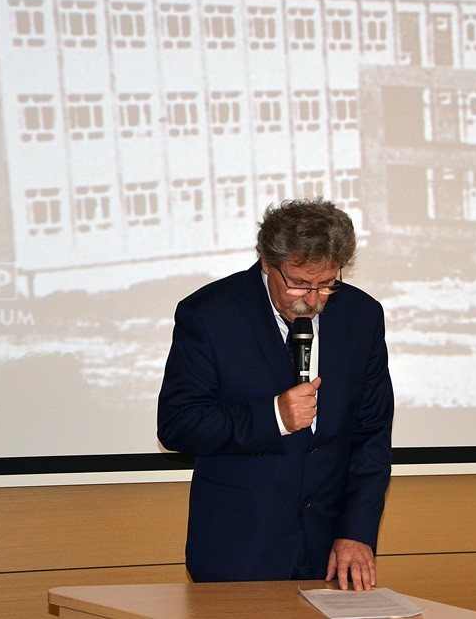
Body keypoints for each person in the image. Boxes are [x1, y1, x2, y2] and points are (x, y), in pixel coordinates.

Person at [157, 198, 394, 591]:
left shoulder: (362, 316)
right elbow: (177, 424)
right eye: (299, 283)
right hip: (240, 548)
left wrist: (356, 531)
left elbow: (371, 435)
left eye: (326, 284)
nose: (313, 300)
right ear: (267, 262)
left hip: (329, 551)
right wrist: (274, 417)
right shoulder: (210, 314)